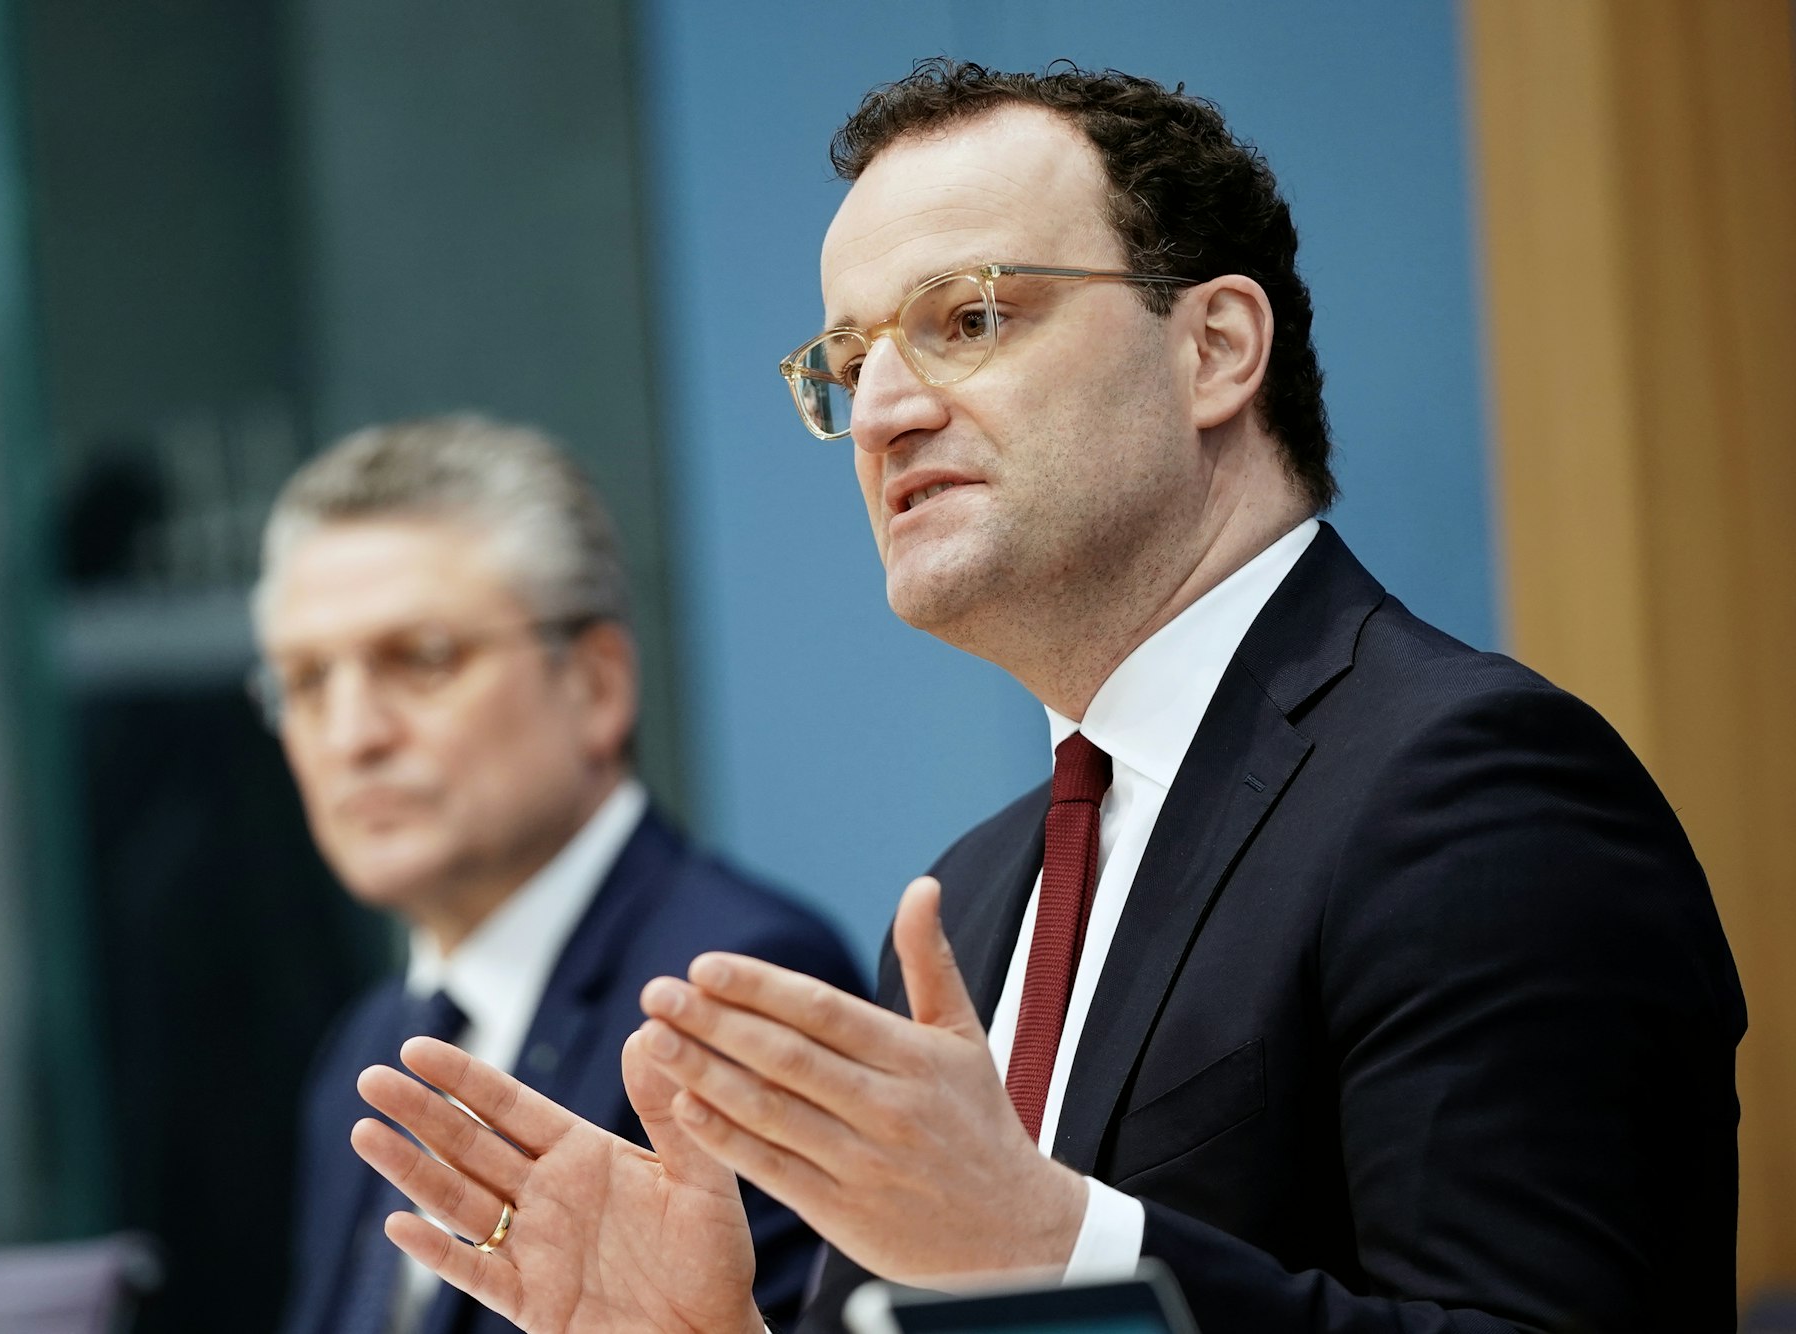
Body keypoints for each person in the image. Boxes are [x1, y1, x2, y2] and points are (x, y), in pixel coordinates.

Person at [347, 62, 1745, 1333]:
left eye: (966, 318)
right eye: (846, 364)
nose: (884, 409)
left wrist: (1054, 1239)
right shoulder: (969, 898)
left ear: (1213, 349)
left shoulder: (1473, 787)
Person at [256, 415, 865, 1334]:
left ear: (596, 686)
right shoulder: (367, 1045)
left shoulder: (729, 989)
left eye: (421, 660)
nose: (352, 737)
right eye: (306, 683)